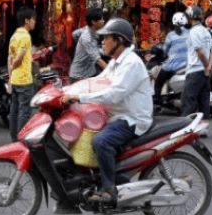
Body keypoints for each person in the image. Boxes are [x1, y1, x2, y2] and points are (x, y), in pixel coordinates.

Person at [62, 18, 152, 204]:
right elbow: (96, 81)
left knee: (101, 141)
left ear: (119, 40)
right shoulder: (115, 61)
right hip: (116, 115)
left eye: (106, 38)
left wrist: (80, 97)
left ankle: (109, 190)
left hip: (131, 119)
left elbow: (113, 95)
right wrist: (65, 91)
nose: (102, 41)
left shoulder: (131, 63)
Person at [8, 7, 36, 141]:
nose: (34, 22)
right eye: (33, 19)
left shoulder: (15, 36)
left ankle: (14, 138)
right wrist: (15, 66)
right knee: (24, 112)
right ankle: (21, 140)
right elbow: (18, 58)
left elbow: (10, 58)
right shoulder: (25, 36)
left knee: (15, 110)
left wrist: (10, 76)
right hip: (24, 79)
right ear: (27, 20)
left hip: (15, 79)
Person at [182, 5, 212, 117]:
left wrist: (206, 66)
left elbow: (200, 52)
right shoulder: (206, 31)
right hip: (205, 74)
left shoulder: (194, 32)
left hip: (194, 72)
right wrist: (209, 66)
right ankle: (203, 129)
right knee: (203, 103)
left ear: (190, 17)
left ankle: (185, 131)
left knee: (188, 103)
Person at [154, 12, 189, 104]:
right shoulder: (190, 33)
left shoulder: (171, 35)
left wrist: (164, 54)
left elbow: (165, 50)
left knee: (158, 82)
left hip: (173, 65)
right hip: (188, 64)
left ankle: (157, 100)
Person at [70, 8, 108, 81]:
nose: (103, 21)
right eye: (101, 19)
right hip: (79, 77)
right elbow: (98, 60)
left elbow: (74, 34)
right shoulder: (87, 38)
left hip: (90, 73)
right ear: (93, 22)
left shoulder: (89, 29)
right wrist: (114, 73)